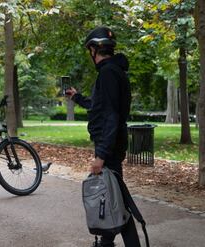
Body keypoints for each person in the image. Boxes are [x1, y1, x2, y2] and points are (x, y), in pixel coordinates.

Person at [65, 27, 141, 247]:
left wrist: (101, 155)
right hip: (113, 145)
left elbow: (110, 116)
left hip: (109, 147)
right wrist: (77, 97)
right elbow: (101, 107)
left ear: (93, 49)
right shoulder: (114, 72)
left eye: (90, 49)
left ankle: (107, 243)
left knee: (118, 201)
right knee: (114, 198)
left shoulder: (108, 74)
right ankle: (106, 243)